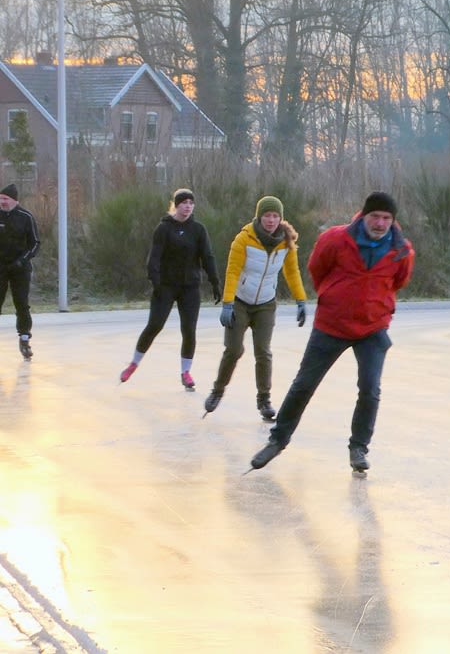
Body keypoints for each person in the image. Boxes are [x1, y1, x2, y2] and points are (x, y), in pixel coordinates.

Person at [250, 192, 415, 473]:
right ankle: (277, 440)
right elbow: (317, 269)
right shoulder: (335, 239)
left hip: (373, 328)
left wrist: (375, 304)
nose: (380, 223)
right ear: (364, 215)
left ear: (393, 221)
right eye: (375, 216)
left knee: (370, 390)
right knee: (304, 384)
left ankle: (359, 448)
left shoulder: (401, 251)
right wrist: (334, 296)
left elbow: (399, 281)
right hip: (332, 324)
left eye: (386, 218)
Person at [204, 196, 308, 421]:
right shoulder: (244, 239)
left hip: (265, 305)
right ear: (259, 217)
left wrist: (301, 300)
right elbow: (232, 271)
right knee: (233, 350)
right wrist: (228, 304)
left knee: (263, 351)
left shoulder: (286, 242)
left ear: (280, 218)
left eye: (275, 216)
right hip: (240, 302)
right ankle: (217, 390)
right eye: (267, 216)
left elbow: (292, 272)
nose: (271, 220)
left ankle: (264, 401)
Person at [120, 189, 220, 390]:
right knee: (154, 325)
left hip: (190, 288)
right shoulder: (163, 228)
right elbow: (154, 258)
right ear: (176, 205)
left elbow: (207, 256)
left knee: (189, 330)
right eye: (184, 202)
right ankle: (134, 363)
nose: (188, 206)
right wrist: (156, 283)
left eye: (191, 203)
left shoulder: (198, 230)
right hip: (165, 287)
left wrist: (215, 282)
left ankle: (186, 372)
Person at [0, 183, 40, 359]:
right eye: (0, 199)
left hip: (20, 269)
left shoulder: (26, 217)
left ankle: (24, 339)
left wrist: (22, 260)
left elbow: (35, 244)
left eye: (5, 199)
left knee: (21, 304)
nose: (2, 202)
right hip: (1, 267)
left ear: (14, 200)